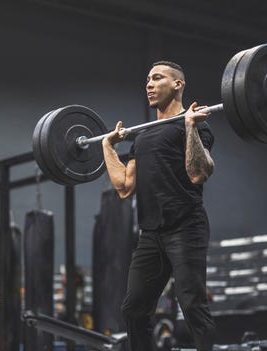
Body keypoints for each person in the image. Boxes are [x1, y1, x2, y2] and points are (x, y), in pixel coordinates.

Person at [102, 61, 216, 351]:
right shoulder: (142, 134)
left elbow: (198, 173)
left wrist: (190, 126)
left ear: (178, 85)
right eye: (147, 80)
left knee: (192, 306)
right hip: (151, 233)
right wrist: (107, 148)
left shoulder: (194, 125)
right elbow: (125, 187)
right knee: (133, 310)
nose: (149, 85)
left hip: (186, 226)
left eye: (157, 78)